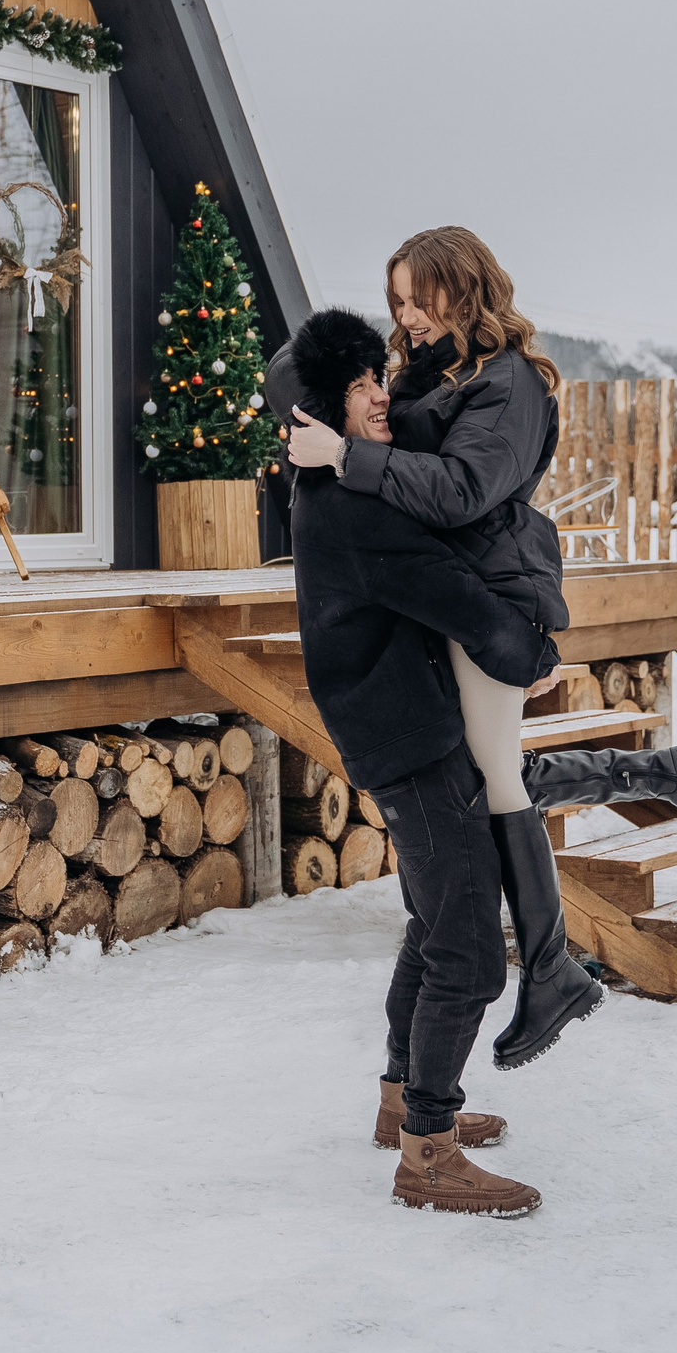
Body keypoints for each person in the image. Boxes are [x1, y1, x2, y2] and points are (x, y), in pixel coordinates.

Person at [286, 228, 677, 1077]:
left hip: (491, 595)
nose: (406, 316)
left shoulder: (510, 383)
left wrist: (347, 455)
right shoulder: (436, 371)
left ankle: (551, 967)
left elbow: (462, 489)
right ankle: (674, 774)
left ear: (464, 288)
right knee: (497, 777)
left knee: (497, 780)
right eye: (397, 301)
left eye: (420, 298)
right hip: (453, 597)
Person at [267, 307, 555, 1215]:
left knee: (433, 925)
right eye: (357, 387)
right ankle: (429, 1149)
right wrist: (533, 654)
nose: (378, 395)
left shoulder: (332, 492)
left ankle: (402, 1101)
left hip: (397, 732)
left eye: (375, 377)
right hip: (415, 742)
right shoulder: (353, 507)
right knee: (468, 949)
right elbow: (456, 597)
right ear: (320, 410)